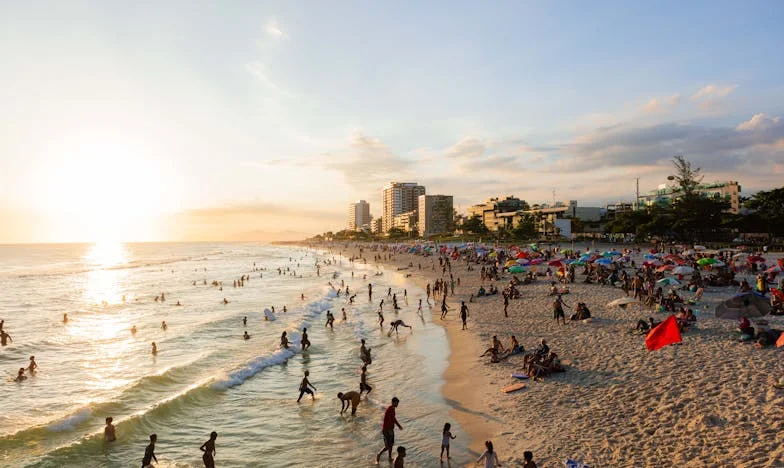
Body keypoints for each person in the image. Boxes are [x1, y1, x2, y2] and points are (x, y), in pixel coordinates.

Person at [376, 397, 403, 464]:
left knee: (391, 445)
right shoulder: (390, 409)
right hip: (386, 430)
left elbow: (393, 419)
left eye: (398, 403)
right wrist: (399, 426)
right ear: (393, 402)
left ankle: (389, 457)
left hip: (390, 429)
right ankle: (379, 454)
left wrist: (397, 426)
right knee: (387, 446)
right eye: (397, 403)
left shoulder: (393, 409)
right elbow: (393, 419)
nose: (397, 404)